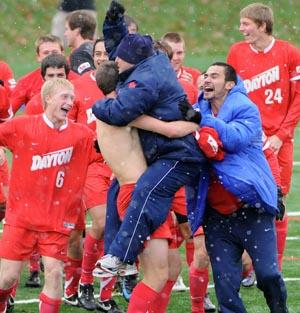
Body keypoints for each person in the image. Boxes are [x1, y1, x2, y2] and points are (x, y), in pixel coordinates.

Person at [93, 0, 205, 272]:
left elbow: (119, 112)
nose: (112, 58)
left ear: (129, 61)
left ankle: (121, 256)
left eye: (116, 57)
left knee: (147, 190)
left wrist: (97, 106)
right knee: (121, 193)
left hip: (178, 155)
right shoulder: (148, 57)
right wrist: (114, 16)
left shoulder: (144, 81)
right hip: (164, 150)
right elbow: (118, 41)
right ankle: (120, 256)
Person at [94, 59, 201, 313]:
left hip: (147, 192)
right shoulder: (120, 112)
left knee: (171, 268)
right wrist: (197, 122)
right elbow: (171, 130)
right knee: (157, 274)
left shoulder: (111, 110)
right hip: (137, 195)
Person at [181, 62, 288, 313]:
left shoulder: (246, 109)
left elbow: (234, 139)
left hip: (252, 211)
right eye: (205, 75)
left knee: (269, 274)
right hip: (216, 216)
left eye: (214, 76)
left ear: (230, 84)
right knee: (226, 287)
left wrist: (277, 192)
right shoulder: (195, 112)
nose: (206, 79)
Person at [0, 78, 97, 312]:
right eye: (64, 97)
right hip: (21, 219)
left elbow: (106, 149)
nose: (70, 102)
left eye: (72, 98)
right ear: (48, 99)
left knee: (54, 273)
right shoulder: (22, 126)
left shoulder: (81, 135)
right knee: (7, 279)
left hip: (56, 221)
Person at [227, 2, 300, 278]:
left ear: (262, 25)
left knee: (276, 203)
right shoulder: (236, 52)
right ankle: (245, 267)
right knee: (242, 201)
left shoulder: (289, 53)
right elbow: (230, 93)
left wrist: (282, 135)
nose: (241, 29)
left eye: (246, 24)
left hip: (279, 140)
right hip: (247, 139)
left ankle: (273, 270)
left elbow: (298, 98)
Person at [10, 34, 78, 114]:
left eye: (54, 52)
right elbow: (8, 113)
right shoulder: (26, 82)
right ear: (38, 57)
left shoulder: (77, 80)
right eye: (46, 53)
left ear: (62, 54)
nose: (51, 56)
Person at [64, 10, 96, 75]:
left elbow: (87, 81)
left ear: (77, 31)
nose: (65, 34)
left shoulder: (79, 55)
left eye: (67, 29)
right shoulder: (97, 50)